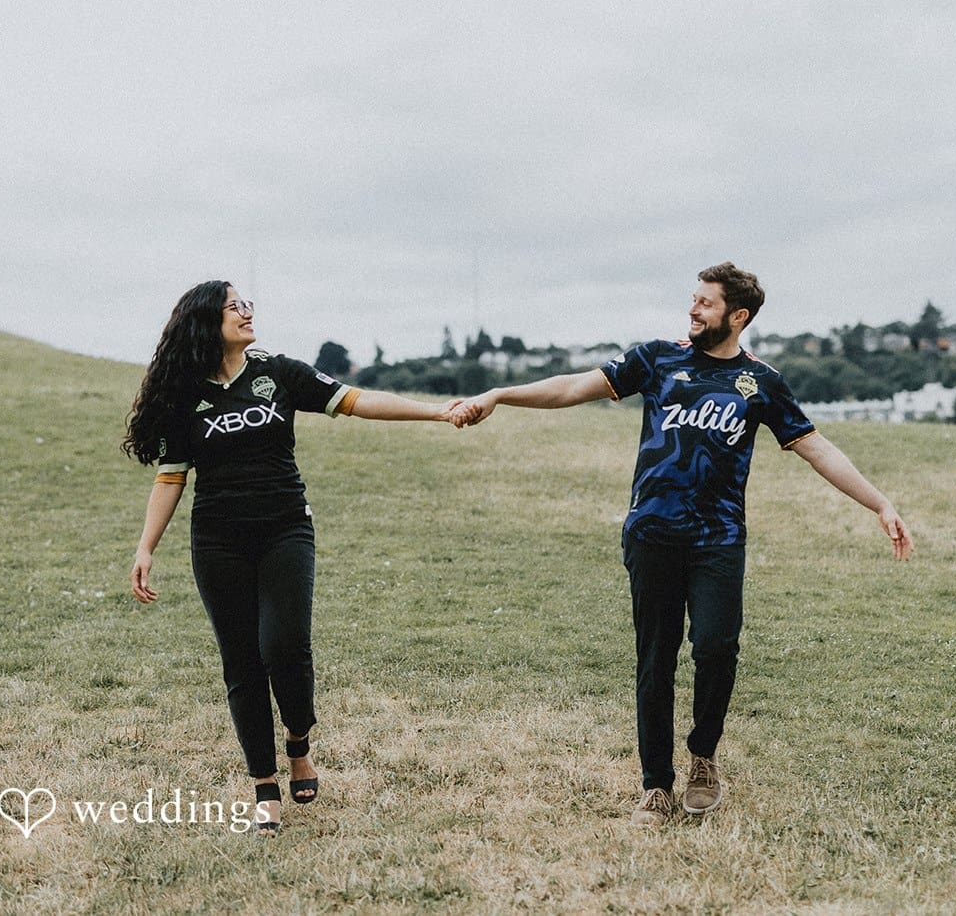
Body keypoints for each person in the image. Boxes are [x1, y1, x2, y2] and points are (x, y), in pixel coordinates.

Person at [453, 262, 914, 827]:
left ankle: (702, 756)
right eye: (692, 299)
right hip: (652, 534)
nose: (693, 309)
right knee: (656, 658)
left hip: (718, 539)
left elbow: (815, 447)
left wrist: (880, 503)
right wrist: (501, 394)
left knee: (717, 647)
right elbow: (574, 387)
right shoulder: (657, 358)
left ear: (737, 316)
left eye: (705, 302)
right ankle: (655, 785)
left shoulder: (761, 382)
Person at [123, 280, 462, 834]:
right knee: (242, 663)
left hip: (285, 531)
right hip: (217, 542)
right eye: (235, 306)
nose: (247, 311)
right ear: (208, 321)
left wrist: (436, 412)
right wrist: (145, 547)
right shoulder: (185, 394)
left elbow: (356, 401)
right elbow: (171, 476)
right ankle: (263, 784)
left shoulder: (278, 372)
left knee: (283, 644)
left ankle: (299, 739)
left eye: (246, 303)